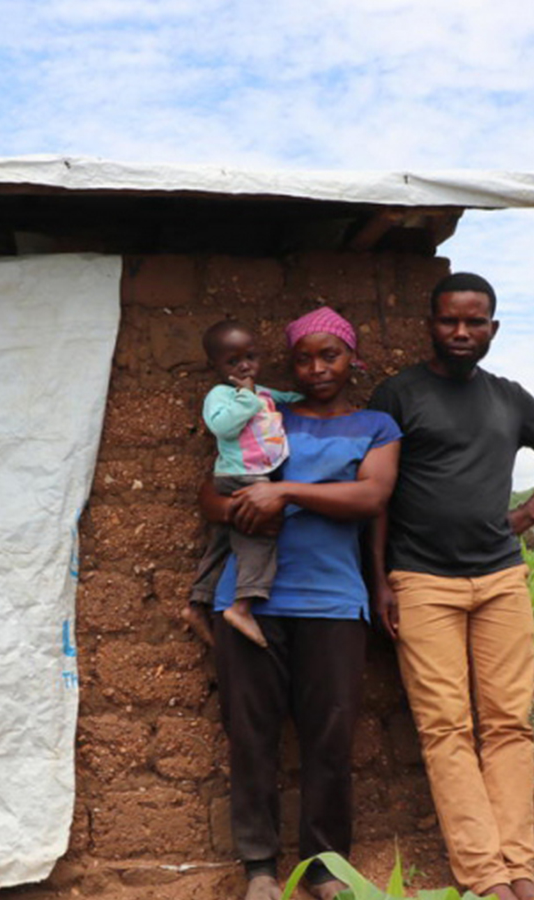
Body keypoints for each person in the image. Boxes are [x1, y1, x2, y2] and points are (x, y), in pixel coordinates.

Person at [369, 273, 534, 900]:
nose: (461, 333)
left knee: (509, 725)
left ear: (493, 327)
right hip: (423, 581)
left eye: (475, 322)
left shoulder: (508, 398)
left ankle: (520, 869)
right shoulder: (399, 394)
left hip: (500, 578)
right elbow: (377, 497)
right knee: (446, 729)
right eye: (449, 321)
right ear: (429, 324)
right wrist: (381, 578)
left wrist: (530, 513)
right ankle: (485, 876)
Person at [200, 307, 400, 900]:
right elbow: (211, 495)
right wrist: (243, 506)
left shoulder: (376, 426)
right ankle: (260, 867)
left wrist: (283, 491)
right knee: (251, 734)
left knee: (330, 738)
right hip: (247, 599)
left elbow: (371, 495)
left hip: (334, 602)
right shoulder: (265, 412)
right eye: (305, 358)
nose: (317, 368)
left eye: (330, 355)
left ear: (352, 358)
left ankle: (323, 869)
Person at [184, 321, 303, 648]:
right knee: (258, 538)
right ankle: (242, 606)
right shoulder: (221, 395)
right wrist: (247, 398)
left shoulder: (262, 393)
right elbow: (221, 427)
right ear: (216, 366)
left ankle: (197, 603)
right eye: (233, 361)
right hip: (243, 475)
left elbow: (289, 400)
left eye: (250, 356)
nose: (244, 366)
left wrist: (303, 399)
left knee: (222, 543)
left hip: (251, 472)